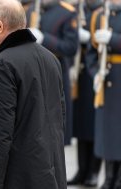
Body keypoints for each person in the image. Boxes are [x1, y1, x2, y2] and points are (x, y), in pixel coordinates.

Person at [0, 0, 67, 188]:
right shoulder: (50, 58)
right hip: (50, 171)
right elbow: (59, 118)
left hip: (18, 176)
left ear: (0, 25)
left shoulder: (2, 64)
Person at [26, 0, 79, 145]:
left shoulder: (67, 12)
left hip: (55, 73)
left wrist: (44, 39)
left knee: (53, 131)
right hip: (31, 71)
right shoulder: (30, 9)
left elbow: (71, 47)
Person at [86, 0, 121, 187]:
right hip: (106, 83)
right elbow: (91, 53)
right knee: (108, 133)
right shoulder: (99, 16)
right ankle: (108, 177)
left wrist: (113, 39)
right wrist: (95, 74)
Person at [67, 0, 102, 186]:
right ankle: (82, 170)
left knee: (94, 126)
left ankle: (94, 171)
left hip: (94, 75)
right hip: (79, 75)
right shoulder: (77, 10)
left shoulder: (101, 12)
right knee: (81, 125)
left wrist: (89, 38)